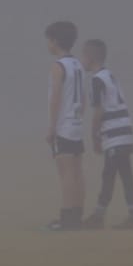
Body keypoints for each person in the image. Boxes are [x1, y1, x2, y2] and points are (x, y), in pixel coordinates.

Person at [80, 40, 133, 229]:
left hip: (114, 133)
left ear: (90, 58)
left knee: (109, 174)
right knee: (125, 174)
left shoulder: (97, 80)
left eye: (83, 56)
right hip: (125, 130)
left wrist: (95, 136)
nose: (81, 60)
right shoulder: (110, 75)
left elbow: (98, 112)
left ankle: (98, 217)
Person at [44, 21, 86, 231]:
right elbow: (84, 97)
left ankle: (67, 217)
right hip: (77, 123)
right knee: (77, 171)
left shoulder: (58, 66)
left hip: (64, 125)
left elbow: (56, 98)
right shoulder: (78, 64)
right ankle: (77, 215)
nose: (47, 45)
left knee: (66, 172)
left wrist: (51, 127)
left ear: (55, 41)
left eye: (48, 40)